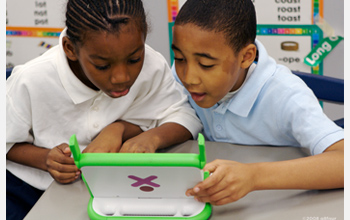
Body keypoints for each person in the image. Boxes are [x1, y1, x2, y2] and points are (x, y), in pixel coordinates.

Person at [6, 0, 202, 219]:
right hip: (27, 191)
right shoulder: (32, 79)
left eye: (134, 59)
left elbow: (186, 117)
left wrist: (143, 136)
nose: (122, 77)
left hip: (112, 190)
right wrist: (46, 159)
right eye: (102, 66)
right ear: (70, 49)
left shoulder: (153, 67)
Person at [171, 0, 344, 206]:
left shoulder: (286, 95)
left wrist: (253, 176)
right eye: (180, 58)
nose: (189, 77)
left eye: (206, 65)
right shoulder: (181, 75)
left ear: (246, 57)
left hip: (282, 205)